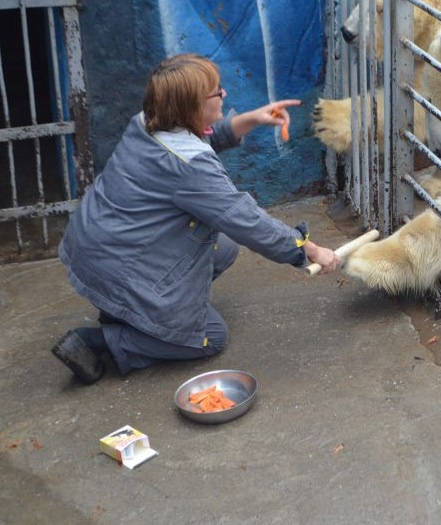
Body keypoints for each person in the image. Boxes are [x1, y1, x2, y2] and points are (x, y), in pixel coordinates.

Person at [52, 53, 341, 385]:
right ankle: (99, 342)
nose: (224, 95)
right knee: (210, 336)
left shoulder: (146, 122)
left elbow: (197, 138)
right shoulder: (189, 167)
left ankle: (127, 312)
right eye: (217, 92)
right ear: (191, 106)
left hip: (94, 255)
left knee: (224, 247)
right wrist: (311, 250)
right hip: (118, 270)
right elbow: (248, 222)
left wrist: (250, 119)